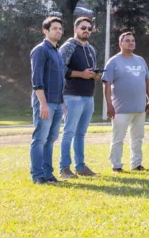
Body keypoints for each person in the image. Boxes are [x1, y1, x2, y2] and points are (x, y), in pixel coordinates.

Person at [103, 32, 149, 172]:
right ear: (120, 43)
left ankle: (136, 164)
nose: (131, 43)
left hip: (139, 107)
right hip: (120, 109)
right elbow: (106, 84)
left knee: (137, 138)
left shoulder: (140, 60)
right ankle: (116, 165)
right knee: (118, 138)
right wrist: (109, 104)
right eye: (127, 41)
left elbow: (147, 81)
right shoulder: (114, 61)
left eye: (133, 40)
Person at [57, 16, 101, 180]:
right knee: (69, 133)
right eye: (83, 28)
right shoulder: (68, 46)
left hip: (88, 96)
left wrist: (94, 75)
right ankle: (64, 168)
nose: (86, 31)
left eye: (89, 29)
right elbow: (60, 69)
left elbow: (89, 71)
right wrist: (80, 74)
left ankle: (80, 166)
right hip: (72, 95)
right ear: (75, 29)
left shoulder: (91, 49)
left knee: (81, 134)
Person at [29, 16, 66, 184]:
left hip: (57, 102)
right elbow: (37, 80)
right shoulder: (40, 50)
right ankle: (37, 176)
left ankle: (48, 174)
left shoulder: (57, 51)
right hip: (45, 102)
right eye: (55, 28)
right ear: (45, 31)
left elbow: (60, 80)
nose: (58, 31)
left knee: (50, 140)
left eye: (60, 29)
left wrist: (62, 103)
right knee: (40, 139)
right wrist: (43, 103)